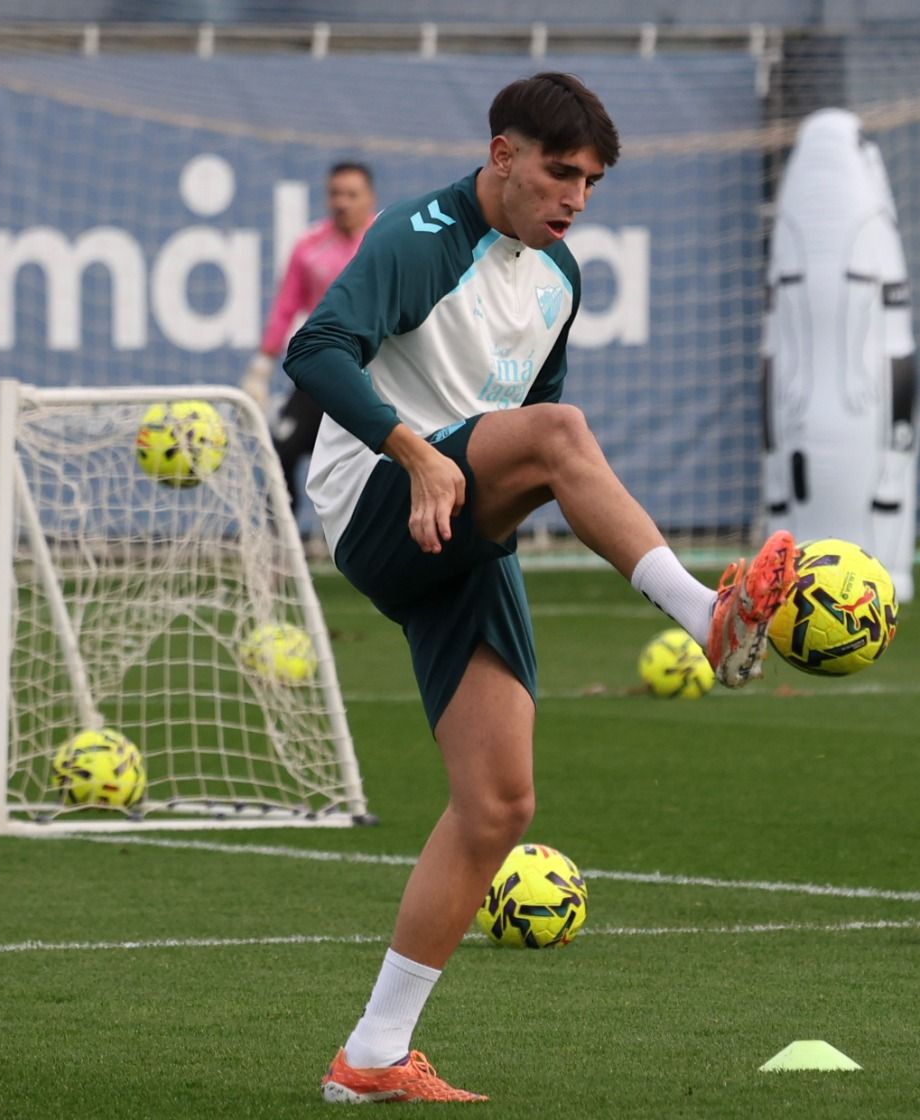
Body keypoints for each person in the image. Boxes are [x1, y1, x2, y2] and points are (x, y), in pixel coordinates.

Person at [285, 72, 796, 1105]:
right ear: (502, 153)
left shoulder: (559, 275)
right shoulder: (419, 235)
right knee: (561, 438)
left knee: (497, 803)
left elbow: (527, 429)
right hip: (380, 498)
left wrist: (486, 489)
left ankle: (371, 1056)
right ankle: (706, 614)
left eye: (592, 182)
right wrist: (419, 457)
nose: (573, 196)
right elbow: (314, 348)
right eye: (559, 171)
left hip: (460, 528)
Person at [240, 161, 377, 514]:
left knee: (380, 464)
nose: (342, 202)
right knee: (280, 452)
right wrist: (262, 364)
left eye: (351, 194)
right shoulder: (309, 246)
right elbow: (286, 305)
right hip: (322, 373)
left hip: (377, 374)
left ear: (369, 199)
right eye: (335, 194)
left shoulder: (386, 240)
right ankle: (283, 548)